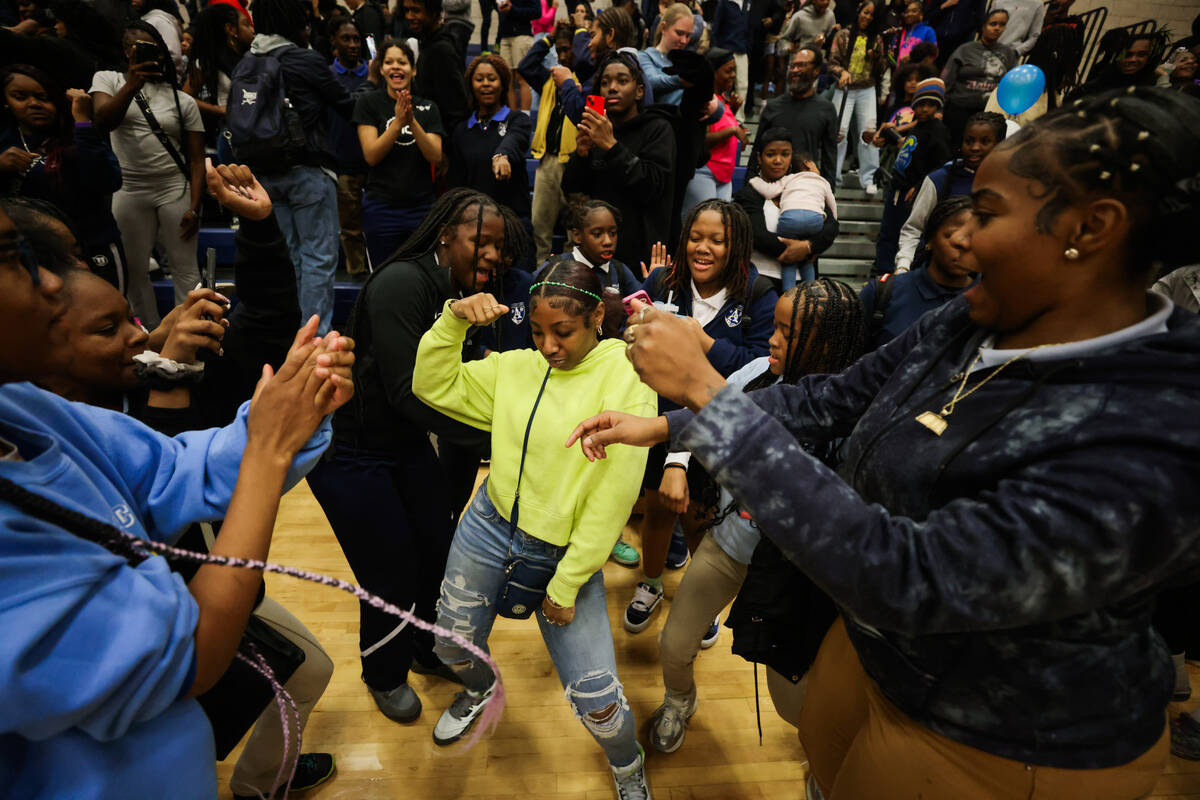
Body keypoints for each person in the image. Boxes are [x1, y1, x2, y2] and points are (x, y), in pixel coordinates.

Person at [573, 84, 1200, 800]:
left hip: (997, 737)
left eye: (989, 214)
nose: (960, 236)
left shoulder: (1158, 424)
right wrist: (666, 425)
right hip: (878, 657)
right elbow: (829, 400)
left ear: (1091, 228)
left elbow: (912, 578)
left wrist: (707, 395)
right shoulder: (974, 318)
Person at [0, 198, 355, 798]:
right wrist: (266, 452)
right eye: (14, 260)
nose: (52, 280)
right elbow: (192, 656)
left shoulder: (26, 417)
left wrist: (290, 408)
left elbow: (174, 470)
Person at [412, 260, 656, 800]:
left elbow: (613, 499)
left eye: (562, 332)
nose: (547, 346)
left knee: (599, 700)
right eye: (538, 331)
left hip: (566, 553)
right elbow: (431, 385)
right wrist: (453, 322)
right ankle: (479, 691)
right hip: (489, 524)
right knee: (449, 645)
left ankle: (626, 762)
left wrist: (566, 584)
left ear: (598, 317)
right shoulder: (516, 368)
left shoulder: (627, 379)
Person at [307, 190, 527, 725]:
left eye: (500, 247)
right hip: (352, 452)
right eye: (482, 240)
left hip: (403, 445)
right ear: (447, 234)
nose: (492, 255)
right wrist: (505, 448)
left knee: (438, 552)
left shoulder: (459, 292)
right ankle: (383, 674)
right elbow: (411, 394)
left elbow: (453, 390)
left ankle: (427, 651)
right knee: (391, 572)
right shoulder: (405, 283)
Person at [649, 279, 865, 753]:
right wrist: (676, 463)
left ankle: (821, 754)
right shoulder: (756, 374)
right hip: (730, 544)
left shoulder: (854, 421)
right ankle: (679, 702)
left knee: (792, 699)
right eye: (777, 326)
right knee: (673, 645)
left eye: (788, 332)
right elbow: (703, 412)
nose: (772, 338)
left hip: (795, 575)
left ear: (826, 344)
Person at [624, 199, 777, 634]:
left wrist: (703, 343)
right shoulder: (663, 282)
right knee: (656, 510)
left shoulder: (758, 294)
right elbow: (634, 343)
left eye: (717, 240)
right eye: (695, 237)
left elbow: (761, 365)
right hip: (661, 418)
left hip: (720, 426)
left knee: (699, 517)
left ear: (738, 246)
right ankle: (650, 585)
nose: (702, 248)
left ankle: (700, 599)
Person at [243, 0, 355, 336]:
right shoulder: (303, 59)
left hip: (263, 174)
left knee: (289, 259)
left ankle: (289, 335)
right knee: (318, 259)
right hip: (307, 169)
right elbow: (345, 103)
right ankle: (313, 342)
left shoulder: (248, 61)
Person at [91, 21, 204, 326]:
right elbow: (102, 120)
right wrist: (131, 84)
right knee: (133, 268)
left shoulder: (182, 100)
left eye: (149, 49)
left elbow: (196, 160)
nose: (140, 54)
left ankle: (188, 333)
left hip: (174, 188)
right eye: (134, 48)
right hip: (128, 188)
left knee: (186, 268)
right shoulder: (108, 80)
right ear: (125, 52)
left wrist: (195, 206)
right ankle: (148, 335)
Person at [0, 65, 125, 292]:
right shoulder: (5, 140)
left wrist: (83, 122)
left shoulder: (78, 132)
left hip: (92, 246)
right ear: (6, 102)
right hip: (29, 251)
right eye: (20, 97)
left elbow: (108, 181)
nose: (34, 104)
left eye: (43, 97)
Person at [562, 51, 675, 270]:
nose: (612, 87)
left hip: (641, 255)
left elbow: (652, 187)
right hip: (598, 254)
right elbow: (571, 190)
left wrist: (611, 146)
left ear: (639, 91)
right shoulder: (598, 131)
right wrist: (581, 156)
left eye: (622, 81)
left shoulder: (659, 128)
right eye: (605, 83)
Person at [355, 41, 444, 267]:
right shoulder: (368, 103)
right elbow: (371, 155)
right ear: (382, 69)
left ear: (413, 70)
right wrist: (397, 123)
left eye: (402, 62)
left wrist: (411, 121)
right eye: (389, 62)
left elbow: (435, 156)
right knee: (382, 278)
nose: (396, 67)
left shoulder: (429, 107)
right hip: (381, 208)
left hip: (421, 208)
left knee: (424, 276)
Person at [894, 110, 1004, 273]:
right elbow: (914, 228)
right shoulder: (938, 180)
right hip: (938, 273)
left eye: (985, 141)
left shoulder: (1011, 183)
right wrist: (903, 265)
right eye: (969, 141)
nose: (975, 147)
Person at [860, 194, 973, 348]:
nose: (964, 246)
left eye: (974, 238)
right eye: (952, 236)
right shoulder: (883, 293)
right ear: (930, 240)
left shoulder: (992, 302)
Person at [735, 127, 839, 291]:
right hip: (761, 282)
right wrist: (803, 249)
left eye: (785, 154)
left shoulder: (805, 185)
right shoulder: (749, 193)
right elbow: (758, 236)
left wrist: (807, 247)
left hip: (804, 283)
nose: (778, 160)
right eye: (770, 154)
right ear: (759, 158)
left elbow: (831, 226)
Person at [874, 76, 950, 274]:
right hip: (897, 187)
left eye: (930, 105)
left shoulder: (938, 131)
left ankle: (897, 274)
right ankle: (883, 273)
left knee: (901, 233)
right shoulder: (918, 127)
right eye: (921, 104)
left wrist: (918, 187)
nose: (925, 109)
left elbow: (940, 165)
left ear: (937, 107)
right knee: (887, 233)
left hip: (911, 191)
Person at [519, 22, 580, 262]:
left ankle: (570, 276)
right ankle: (541, 271)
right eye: (561, 50)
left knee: (574, 230)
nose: (564, 56)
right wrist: (549, 38)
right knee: (539, 226)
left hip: (574, 164)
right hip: (548, 161)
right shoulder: (548, 80)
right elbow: (525, 65)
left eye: (569, 50)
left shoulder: (584, 81)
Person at [450, 54, 533, 225]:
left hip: (512, 220)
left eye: (492, 78)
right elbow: (457, 183)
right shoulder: (461, 130)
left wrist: (502, 155)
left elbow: (515, 139)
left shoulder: (517, 120)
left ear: (502, 84)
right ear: (471, 86)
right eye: (479, 79)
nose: (486, 84)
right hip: (474, 221)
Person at [748, 152, 836, 288]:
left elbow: (769, 191)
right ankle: (810, 291)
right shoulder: (822, 182)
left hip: (789, 221)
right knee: (807, 261)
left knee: (789, 262)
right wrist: (807, 247)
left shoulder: (790, 179)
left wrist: (754, 180)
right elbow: (832, 206)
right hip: (814, 222)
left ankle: (787, 291)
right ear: (808, 163)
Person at [754, 47, 837, 184]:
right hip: (770, 187)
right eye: (792, 66)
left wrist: (828, 196)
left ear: (816, 70)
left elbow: (830, 159)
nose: (795, 70)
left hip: (806, 188)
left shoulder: (826, 109)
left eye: (801, 65)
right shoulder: (772, 107)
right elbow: (756, 153)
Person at [828, 0, 887, 194]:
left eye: (871, 15)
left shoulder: (876, 39)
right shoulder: (843, 35)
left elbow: (882, 69)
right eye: (865, 12)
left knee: (868, 133)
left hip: (866, 89)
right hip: (844, 89)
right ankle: (832, 176)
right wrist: (842, 72)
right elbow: (831, 63)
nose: (867, 17)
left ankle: (869, 178)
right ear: (858, 12)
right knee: (839, 133)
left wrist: (876, 57)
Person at [328, 19, 372, 275]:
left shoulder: (372, 74)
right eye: (347, 39)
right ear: (334, 40)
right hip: (343, 162)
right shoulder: (327, 76)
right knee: (350, 226)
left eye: (356, 39)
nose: (353, 44)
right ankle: (357, 272)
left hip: (375, 162)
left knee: (374, 223)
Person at [681, 47, 747, 212]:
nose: (733, 75)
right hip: (704, 173)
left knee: (721, 226)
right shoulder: (703, 100)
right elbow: (700, 140)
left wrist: (734, 110)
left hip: (725, 175)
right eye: (728, 71)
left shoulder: (723, 99)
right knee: (700, 224)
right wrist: (733, 130)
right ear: (713, 73)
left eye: (734, 70)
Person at [941, 8, 1016, 144]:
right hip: (959, 110)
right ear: (983, 26)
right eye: (993, 24)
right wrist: (939, 110)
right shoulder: (965, 50)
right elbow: (946, 81)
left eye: (1002, 24)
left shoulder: (1008, 54)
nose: (997, 28)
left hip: (990, 116)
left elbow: (1012, 86)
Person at [183, 3, 253, 149]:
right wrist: (218, 109)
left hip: (255, 131)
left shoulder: (252, 57)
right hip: (230, 135)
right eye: (246, 24)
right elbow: (185, 98)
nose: (252, 30)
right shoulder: (207, 62)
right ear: (230, 29)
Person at [545, 198, 641, 297]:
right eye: (597, 234)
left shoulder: (619, 271)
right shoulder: (555, 269)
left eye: (612, 233)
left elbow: (644, 306)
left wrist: (652, 282)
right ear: (577, 235)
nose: (608, 241)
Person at [403, 0, 472, 139]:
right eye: (407, 10)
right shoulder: (428, 45)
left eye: (416, 11)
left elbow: (456, 108)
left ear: (434, 13)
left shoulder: (441, 50)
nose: (409, 16)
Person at [1068, 31, 1164, 101]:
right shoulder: (1102, 79)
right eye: (1128, 55)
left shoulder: (1153, 82)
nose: (1133, 60)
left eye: (1141, 54)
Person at [638, 2, 694, 105]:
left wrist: (715, 106)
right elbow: (650, 83)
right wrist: (681, 80)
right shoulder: (646, 56)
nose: (684, 41)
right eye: (679, 33)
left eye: (688, 36)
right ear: (664, 28)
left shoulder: (690, 61)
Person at [711, 0, 750, 120]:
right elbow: (716, 27)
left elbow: (749, 29)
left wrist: (748, 50)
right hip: (726, 49)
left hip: (742, 50)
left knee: (743, 85)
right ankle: (721, 117)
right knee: (724, 84)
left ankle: (739, 119)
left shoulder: (747, 3)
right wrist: (716, 51)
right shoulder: (724, 3)